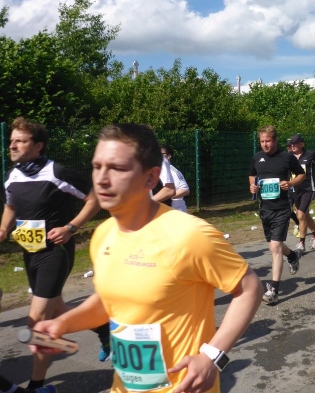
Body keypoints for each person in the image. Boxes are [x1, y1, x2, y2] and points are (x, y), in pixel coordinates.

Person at [31, 123, 261, 393]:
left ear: (151, 178)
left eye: (117, 168)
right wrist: (61, 324)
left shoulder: (189, 234)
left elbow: (249, 288)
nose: (102, 179)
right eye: (97, 167)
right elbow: (109, 302)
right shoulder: (103, 234)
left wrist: (212, 356)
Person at [0, 117, 109, 390]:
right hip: (30, 253)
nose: (12, 145)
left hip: (55, 251)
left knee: (36, 321)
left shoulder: (56, 171)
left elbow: (94, 199)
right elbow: (11, 207)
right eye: (11, 140)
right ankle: (102, 328)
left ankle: (37, 386)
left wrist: (71, 227)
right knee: (57, 309)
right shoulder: (13, 175)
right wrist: (2, 229)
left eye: (19, 141)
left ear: (38, 146)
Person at [249, 125, 306, 304]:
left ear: (275, 140)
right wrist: (252, 186)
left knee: (275, 247)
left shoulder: (286, 157)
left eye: (268, 141)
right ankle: (292, 256)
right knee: (275, 246)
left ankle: (273, 290)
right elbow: (252, 175)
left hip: (282, 208)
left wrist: (290, 183)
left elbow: (301, 175)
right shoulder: (257, 157)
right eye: (262, 141)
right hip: (265, 208)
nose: (265, 144)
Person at [288, 134, 315, 252]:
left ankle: (301, 242)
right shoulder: (289, 156)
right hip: (295, 189)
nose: (292, 145)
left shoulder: (310, 154)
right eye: (291, 143)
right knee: (304, 215)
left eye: (295, 143)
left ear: (302, 144)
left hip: (308, 189)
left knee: (300, 215)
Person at [159, 144, 190, 212]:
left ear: (169, 156)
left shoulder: (173, 172)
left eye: (160, 154)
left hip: (176, 211)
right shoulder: (158, 171)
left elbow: (185, 190)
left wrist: (166, 198)